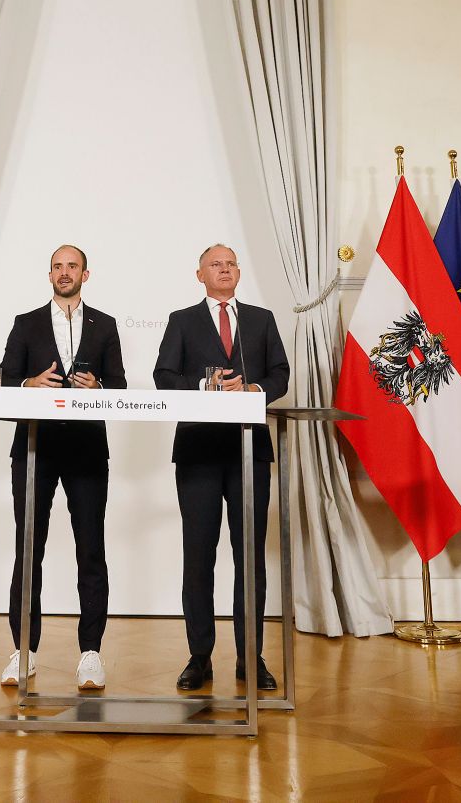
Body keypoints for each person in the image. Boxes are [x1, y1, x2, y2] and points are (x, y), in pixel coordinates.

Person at [153, 244, 288, 692]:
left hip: (250, 451)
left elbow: (281, 375)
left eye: (230, 263)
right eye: (216, 264)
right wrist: (203, 386)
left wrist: (252, 387)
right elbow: (163, 376)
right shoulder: (181, 321)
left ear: (238, 272)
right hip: (198, 451)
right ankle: (199, 657)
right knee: (200, 555)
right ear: (200, 275)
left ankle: (251, 656)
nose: (224, 269)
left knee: (250, 556)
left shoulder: (262, 319)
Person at [0, 244, 126, 691]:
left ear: (85, 275)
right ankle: (23, 651)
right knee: (28, 548)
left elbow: (121, 385)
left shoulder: (104, 325)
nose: (64, 272)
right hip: (35, 447)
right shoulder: (25, 323)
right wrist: (29, 383)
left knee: (91, 548)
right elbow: (5, 378)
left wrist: (100, 385)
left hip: (88, 449)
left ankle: (90, 653)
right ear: (49, 274)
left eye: (72, 266)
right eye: (57, 266)